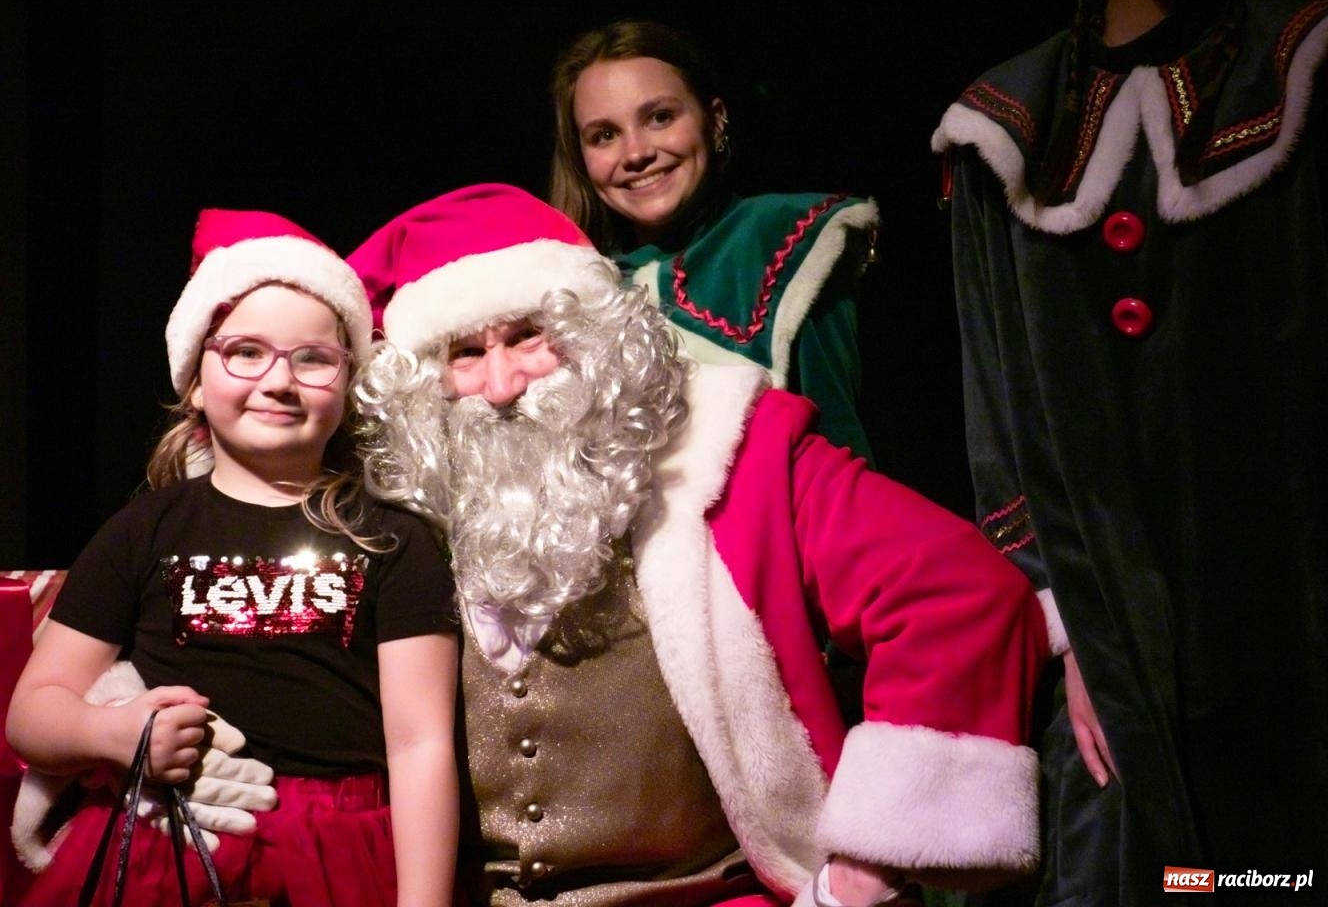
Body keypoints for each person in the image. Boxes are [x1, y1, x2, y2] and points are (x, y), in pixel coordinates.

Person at [348, 183, 1049, 907]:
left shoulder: (737, 457)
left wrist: (864, 872)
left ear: (594, 337)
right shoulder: (405, 508)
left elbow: (953, 592)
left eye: (530, 336)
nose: (500, 387)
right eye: (465, 353)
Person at [931, 0, 1328, 906]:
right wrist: (1071, 629)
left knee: (1270, 881)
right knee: (1148, 876)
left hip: (1285, 599)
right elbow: (993, 397)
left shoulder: (1298, 66)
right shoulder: (1004, 124)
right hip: (1104, 624)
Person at [6, 209, 460, 907]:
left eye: (313, 358)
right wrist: (115, 730)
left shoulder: (394, 541)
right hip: (173, 843)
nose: (279, 380)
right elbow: (31, 715)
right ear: (195, 376)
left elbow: (421, 745)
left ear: (347, 383)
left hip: (338, 856)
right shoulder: (144, 530)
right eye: (246, 351)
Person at [549, 21, 879, 461]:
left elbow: (842, 449)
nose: (635, 153)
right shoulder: (571, 290)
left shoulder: (784, 238)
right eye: (604, 135)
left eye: (660, 117)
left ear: (716, 120)